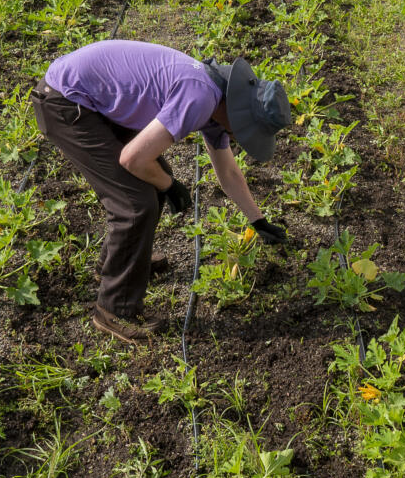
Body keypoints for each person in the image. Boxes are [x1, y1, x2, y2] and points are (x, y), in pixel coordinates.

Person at [34, 40, 293, 344]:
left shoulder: (217, 96)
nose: (236, 137)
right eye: (242, 131)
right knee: (136, 203)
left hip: (88, 98)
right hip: (65, 103)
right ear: (237, 113)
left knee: (154, 179)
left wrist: (258, 221)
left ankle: (117, 265)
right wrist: (170, 187)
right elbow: (132, 159)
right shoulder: (200, 98)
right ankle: (114, 311)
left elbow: (229, 172)